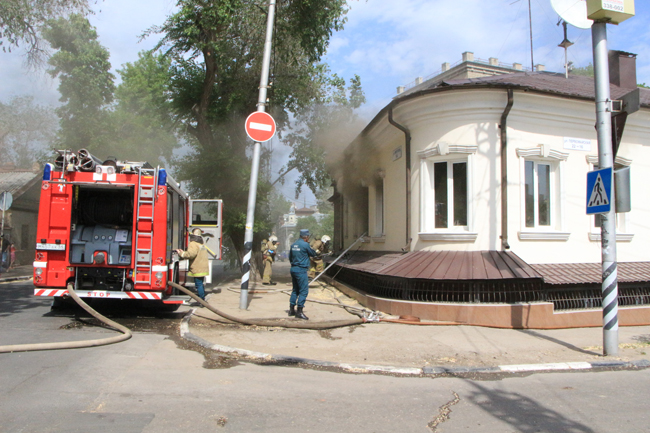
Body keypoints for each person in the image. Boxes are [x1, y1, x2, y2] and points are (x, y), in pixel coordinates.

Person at [288, 229, 317, 320]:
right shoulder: (305, 245)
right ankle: (299, 311)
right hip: (301, 270)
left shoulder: (293, 245)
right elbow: (313, 254)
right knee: (303, 291)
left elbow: (290, 257)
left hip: (293, 268)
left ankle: (291, 310)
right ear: (306, 237)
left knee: (295, 290)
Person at [176, 228, 209, 301]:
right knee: (200, 284)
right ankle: (202, 298)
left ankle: (201, 300)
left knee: (198, 284)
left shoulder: (193, 244)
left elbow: (191, 254)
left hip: (197, 268)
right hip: (202, 267)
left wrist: (181, 253)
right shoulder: (201, 244)